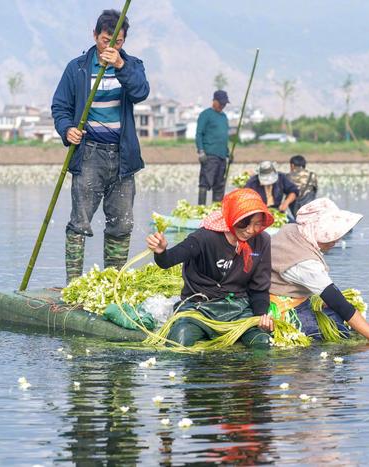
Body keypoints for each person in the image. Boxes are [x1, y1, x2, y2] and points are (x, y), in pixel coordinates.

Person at [52, 9, 149, 284]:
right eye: (106, 40)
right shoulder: (78, 68)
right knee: (80, 222)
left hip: (122, 157)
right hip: (89, 155)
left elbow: (141, 92)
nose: (111, 46)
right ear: (95, 36)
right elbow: (60, 107)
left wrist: (120, 66)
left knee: (121, 223)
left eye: (117, 42)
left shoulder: (132, 65)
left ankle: (111, 285)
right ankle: (74, 284)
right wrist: (66, 129)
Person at [146, 189, 275, 348]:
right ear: (233, 217)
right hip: (199, 308)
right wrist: (161, 252)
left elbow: (259, 288)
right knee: (180, 339)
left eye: (257, 224)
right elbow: (169, 260)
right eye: (244, 223)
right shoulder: (205, 237)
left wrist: (261, 317)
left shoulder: (262, 241)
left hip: (238, 308)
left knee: (262, 342)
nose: (250, 230)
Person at [268, 198, 369, 345]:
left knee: (337, 322)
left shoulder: (292, 229)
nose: (337, 240)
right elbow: (340, 303)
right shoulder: (305, 262)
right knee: (322, 333)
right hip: (280, 310)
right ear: (317, 230)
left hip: (284, 297)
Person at [196, 90, 230, 205]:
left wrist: (228, 153)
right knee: (205, 182)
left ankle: (216, 212)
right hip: (210, 155)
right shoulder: (206, 114)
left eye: (224, 104)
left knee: (219, 185)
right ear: (214, 101)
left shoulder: (224, 117)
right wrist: (201, 151)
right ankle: (201, 209)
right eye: (221, 103)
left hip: (222, 156)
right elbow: (199, 134)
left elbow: (224, 137)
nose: (222, 106)